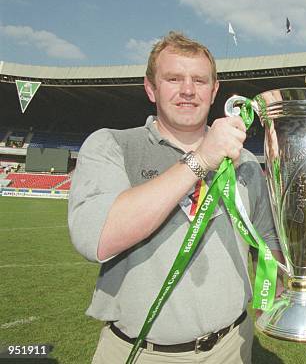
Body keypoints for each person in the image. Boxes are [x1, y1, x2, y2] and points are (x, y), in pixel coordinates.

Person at [68, 31, 280, 363]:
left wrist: (294, 293)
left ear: (214, 91)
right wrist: (200, 160)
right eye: (173, 78)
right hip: (140, 352)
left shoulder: (247, 162)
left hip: (232, 348)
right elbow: (96, 239)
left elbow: (267, 240)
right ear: (151, 88)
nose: (187, 90)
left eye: (199, 80)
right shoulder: (112, 145)